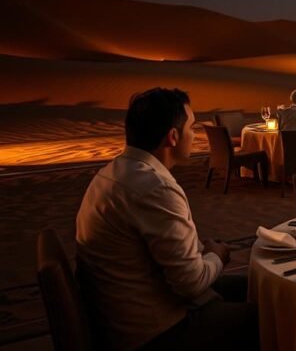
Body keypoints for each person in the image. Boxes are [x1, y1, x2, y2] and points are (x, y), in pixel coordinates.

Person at [75, 88, 259, 350]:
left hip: (124, 314)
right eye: (192, 128)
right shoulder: (154, 186)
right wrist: (217, 255)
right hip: (156, 331)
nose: (194, 135)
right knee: (271, 316)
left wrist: (203, 258)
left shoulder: (113, 172)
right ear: (173, 137)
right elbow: (191, 284)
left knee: (257, 287)